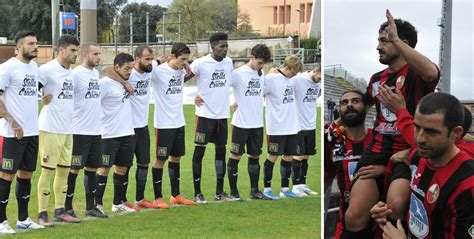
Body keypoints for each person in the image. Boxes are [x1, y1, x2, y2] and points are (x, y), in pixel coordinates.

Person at [342, 10, 439, 238]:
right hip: (376, 152)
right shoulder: (377, 79)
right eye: (379, 40)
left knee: (394, 207)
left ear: (402, 43)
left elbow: (431, 72)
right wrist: (336, 124)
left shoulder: (417, 73)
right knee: (354, 217)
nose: (378, 46)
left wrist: (394, 38)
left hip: (407, 153)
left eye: (384, 41)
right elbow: (361, 105)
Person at [371, 92, 473, 239]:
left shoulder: (467, 186)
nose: (419, 138)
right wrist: (383, 211)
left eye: (431, 132)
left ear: (456, 133)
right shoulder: (417, 157)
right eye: (417, 127)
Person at [0, 31, 44, 234]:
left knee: (26, 174)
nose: (35, 47)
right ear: (19, 47)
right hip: (12, 134)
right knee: (7, 175)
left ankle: (23, 219)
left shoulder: (34, 67)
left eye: (35, 43)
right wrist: (12, 121)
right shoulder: (8, 68)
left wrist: (46, 97)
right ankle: (1, 221)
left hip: (32, 132)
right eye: (31, 44)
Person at [36, 34, 81, 226]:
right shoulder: (46, 69)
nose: (75, 55)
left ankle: (60, 210)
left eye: (77, 51)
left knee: (64, 171)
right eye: (72, 50)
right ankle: (41, 213)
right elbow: (35, 88)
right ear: (61, 50)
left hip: (67, 129)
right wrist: (41, 96)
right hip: (50, 128)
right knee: (47, 171)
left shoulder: (71, 73)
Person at [63, 43, 108, 219]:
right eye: (95, 54)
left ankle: (91, 208)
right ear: (84, 55)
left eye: (99, 54)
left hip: (96, 130)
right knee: (74, 169)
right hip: (79, 130)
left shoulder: (95, 73)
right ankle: (67, 207)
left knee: (92, 169)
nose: (99, 57)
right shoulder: (75, 75)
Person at [324, 90, 377, 238]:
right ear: (339, 109)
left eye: (355, 101)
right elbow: (326, 178)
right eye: (344, 103)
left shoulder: (380, 139)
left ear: (366, 107)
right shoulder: (333, 142)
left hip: (380, 226)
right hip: (346, 226)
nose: (349, 105)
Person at [189, 32, 234, 203]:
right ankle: (197, 193)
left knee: (221, 154)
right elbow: (182, 79)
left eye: (226, 46)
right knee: (198, 154)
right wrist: (194, 96)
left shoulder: (229, 62)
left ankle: (220, 192)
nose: (224, 49)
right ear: (212, 47)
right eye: (221, 46)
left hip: (222, 116)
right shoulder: (200, 63)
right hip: (204, 115)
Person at [150, 43, 196, 206]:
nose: (184, 62)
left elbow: (190, 72)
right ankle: (158, 198)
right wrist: (156, 60)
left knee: (176, 158)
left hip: (179, 122)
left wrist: (186, 66)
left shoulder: (182, 70)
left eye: (187, 60)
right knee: (160, 159)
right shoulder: (159, 71)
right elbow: (143, 67)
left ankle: (175, 195)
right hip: (163, 124)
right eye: (182, 59)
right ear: (172, 56)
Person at [226, 44, 272, 200]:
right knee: (235, 156)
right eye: (259, 62)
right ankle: (234, 192)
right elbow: (222, 88)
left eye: (263, 64)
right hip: (241, 123)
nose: (261, 66)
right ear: (251, 57)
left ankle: (255, 191)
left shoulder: (261, 74)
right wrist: (231, 102)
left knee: (254, 157)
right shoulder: (238, 73)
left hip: (257, 124)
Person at [95, 53, 137, 213]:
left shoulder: (127, 80)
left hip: (127, 132)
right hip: (108, 134)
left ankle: (117, 203)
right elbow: (105, 69)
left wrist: (125, 82)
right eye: (126, 68)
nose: (129, 71)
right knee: (104, 169)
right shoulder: (104, 84)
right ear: (117, 67)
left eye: (131, 68)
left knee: (122, 168)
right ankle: (97, 204)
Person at [261, 55, 303, 200]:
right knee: (272, 156)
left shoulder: (293, 80)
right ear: (286, 68)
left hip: (292, 126)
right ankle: (267, 189)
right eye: (293, 72)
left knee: (288, 157)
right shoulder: (271, 79)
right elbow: (257, 94)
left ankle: (285, 188)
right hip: (276, 127)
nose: (294, 75)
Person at [292, 65, 321, 196]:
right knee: (297, 156)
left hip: (311, 124)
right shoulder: (299, 79)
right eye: (319, 76)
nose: (320, 80)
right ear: (315, 71)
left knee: (306, 156)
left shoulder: (319, 83)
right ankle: (295, 186)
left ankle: (302, 185)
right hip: (298, 125)